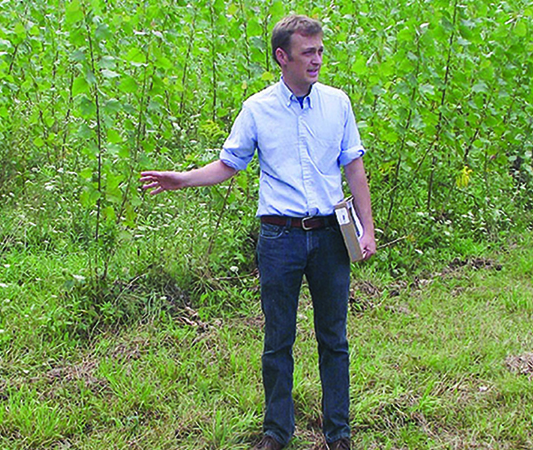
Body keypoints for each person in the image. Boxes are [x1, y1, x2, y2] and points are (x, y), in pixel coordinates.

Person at [140, 14, 376, 450]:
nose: (318, 60)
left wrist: (368, 228)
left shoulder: (338, 104)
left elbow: (354, 166)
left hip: (329, 237)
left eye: (321, 51)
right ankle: (276, 432)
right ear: (282, 57)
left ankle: (338, 435)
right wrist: (183, 178)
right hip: (279, 239)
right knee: (278, 340)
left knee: (334, 339)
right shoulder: (258, 109)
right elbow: (230, 164)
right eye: (309, 52)